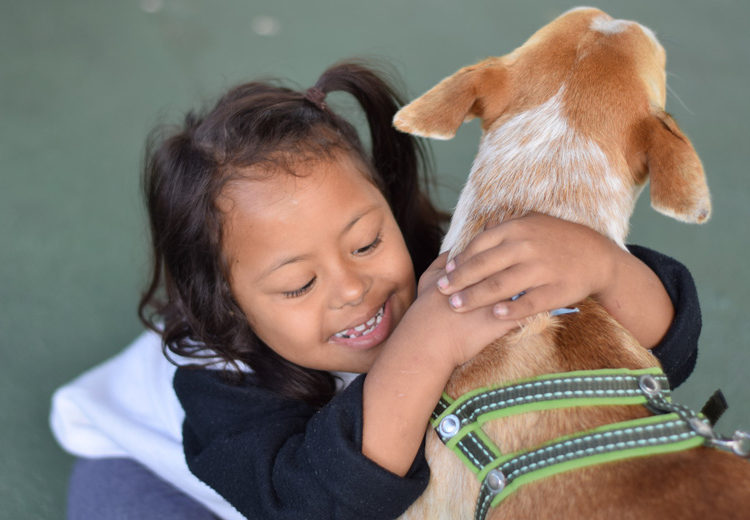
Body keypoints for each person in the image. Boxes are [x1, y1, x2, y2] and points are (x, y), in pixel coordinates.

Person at [51, 60, 700, 519]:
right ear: (227, 304)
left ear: (386, 204)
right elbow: (314, 505)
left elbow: (657, 354)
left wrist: (605, 267)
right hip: (153, 473)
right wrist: (428, 340)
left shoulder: (433, 266)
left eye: (365, 242)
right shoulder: (218, 381)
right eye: (299, 282)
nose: (354, 286)